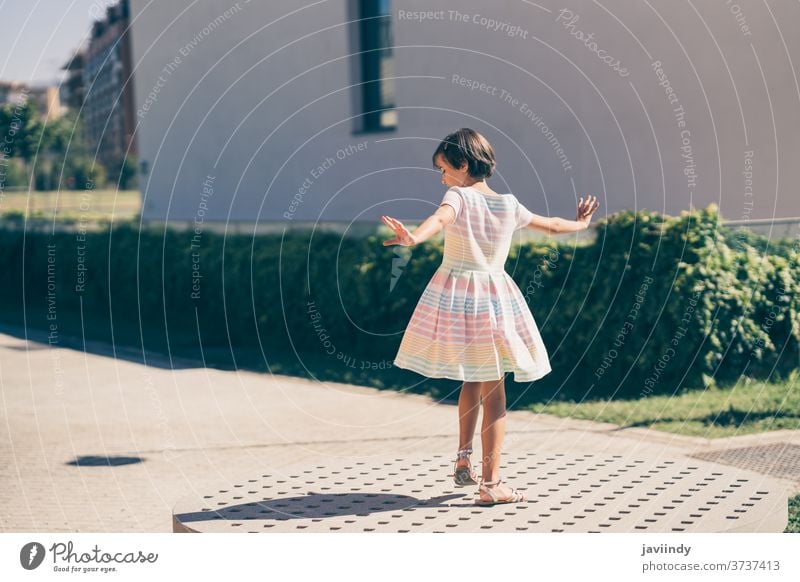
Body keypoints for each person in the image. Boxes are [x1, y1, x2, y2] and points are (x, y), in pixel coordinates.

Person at [381, 128, 600, 506]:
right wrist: (580, 224)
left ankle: (467, 462)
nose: (442, 177)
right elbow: (550, 225)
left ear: (463, 164)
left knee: (473, 379)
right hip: (494, 302)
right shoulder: (509, 205)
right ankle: (491, 484)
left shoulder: (457, 195)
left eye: (443, 169)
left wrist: (415, 239)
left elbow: (441, 218)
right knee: (493, 392)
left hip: (457, 300)